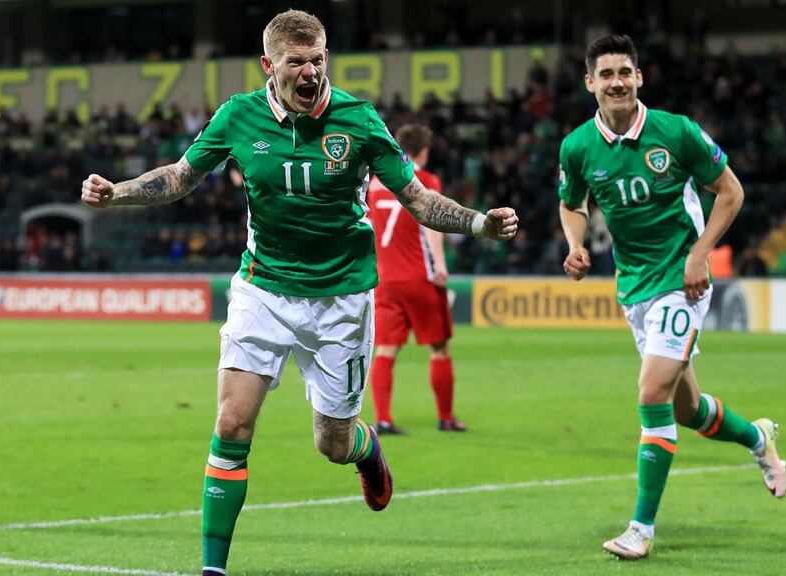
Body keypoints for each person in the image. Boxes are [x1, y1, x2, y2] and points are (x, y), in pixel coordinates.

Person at [80, 10, 518, 576]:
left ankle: (366, 450)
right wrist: (116, 192)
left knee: (331, 442)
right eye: (297, 62)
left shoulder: (359, 120)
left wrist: (481, 224)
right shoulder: (239, 116)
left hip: (341, 298)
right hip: (263, 287)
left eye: (318, 59)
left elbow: (417, 198)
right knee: (232, 424)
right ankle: (213, 568)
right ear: (270, 65)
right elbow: (180, 177)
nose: (311, 72)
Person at [557, 34, 786, 561]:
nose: (617, 81)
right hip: (633, 286)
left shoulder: (676, 131)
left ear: (639, 78)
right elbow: (572, 203)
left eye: (625, 72)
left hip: (683, 283)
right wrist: (574, 245)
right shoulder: (576, 146)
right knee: (686, 410)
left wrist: (700, 253)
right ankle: (758, 437)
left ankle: (641, 528)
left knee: (651, 392)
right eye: (606, 73)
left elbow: (731, 192)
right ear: (590, 83)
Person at [367, 124, 465, 435]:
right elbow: (431, 225)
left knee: (385, 350)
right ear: (424, 150)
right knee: (439, 348)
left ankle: (383, 419)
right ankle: (445, 417)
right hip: (419, 277)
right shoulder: (426, 180)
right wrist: (440, 264)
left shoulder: (376, 183)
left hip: (384, 279)